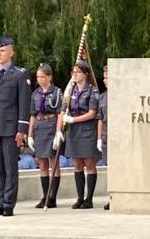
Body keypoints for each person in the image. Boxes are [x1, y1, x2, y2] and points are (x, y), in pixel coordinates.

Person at [0, 35, 31, 217]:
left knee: (10, 167)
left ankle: (8, 204)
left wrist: (22, 129)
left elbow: (24, 103)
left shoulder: (20, 74)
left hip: (10, 128)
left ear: (11, 52)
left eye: (2, 50)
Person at [59, 60, 100, 209]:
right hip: (73, 131)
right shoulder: (70, 91)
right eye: (73, 72)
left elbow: (92, 113)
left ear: (86, 74)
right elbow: (63, 110)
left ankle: (89, 199)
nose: (74, 74)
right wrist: (59, 130)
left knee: (89, 163)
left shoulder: (92, 91)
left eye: (78, 72)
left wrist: (73, 119)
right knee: (77, 164)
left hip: (87, 130)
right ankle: (80, 198)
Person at [28, 63, 63, 208]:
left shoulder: (56, 92)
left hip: (51, 126)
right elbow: (32, 114)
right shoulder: (35, 94)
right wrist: (30, 135)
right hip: (39, 127)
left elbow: (60, 113)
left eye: (42, 77)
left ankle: (52, 196)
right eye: (38, 77)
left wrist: (58, 132)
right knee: (42, 163)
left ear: (49, 77)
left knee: (53, 162)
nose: (40, 79)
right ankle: (45, 196)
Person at [97, 65, 109, 209]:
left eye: (107, 78)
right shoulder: (102, 97)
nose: (105, 80)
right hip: (106, 136)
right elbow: (100, 118)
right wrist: (99, 138)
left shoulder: (121, 95)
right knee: (108, 169)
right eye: (104, 78)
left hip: (117, 137)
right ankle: (111, 196)